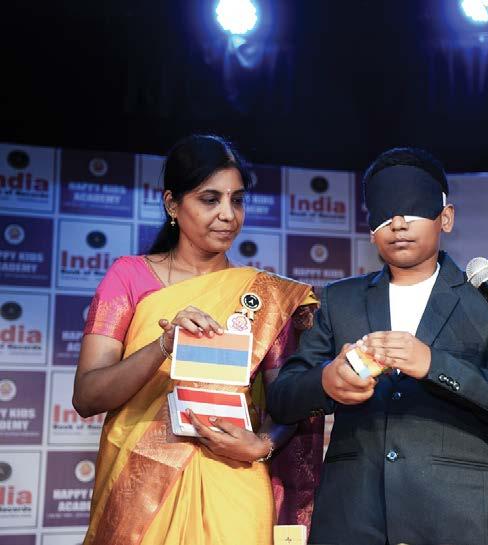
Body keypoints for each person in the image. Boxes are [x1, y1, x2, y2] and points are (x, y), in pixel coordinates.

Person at [266, 147, 488, 545]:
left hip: (453, 522)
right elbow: (282, 399)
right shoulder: (340, 299)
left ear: (446, 217)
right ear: (370, 228)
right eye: (384, 213)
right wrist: (327, 381)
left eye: (413, 209)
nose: (397, 223)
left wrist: (433, 364)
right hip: (352, 519)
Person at [73, 135, 322, 545]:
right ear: (172, 204)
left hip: (234, 483)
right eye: (210, 200)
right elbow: (87, 396)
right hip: (140, 485)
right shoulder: (129, 277)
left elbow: (289, 401)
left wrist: (260, 445)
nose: (228, 215)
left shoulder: (263, 296)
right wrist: (164, 345)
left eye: (237, 201)